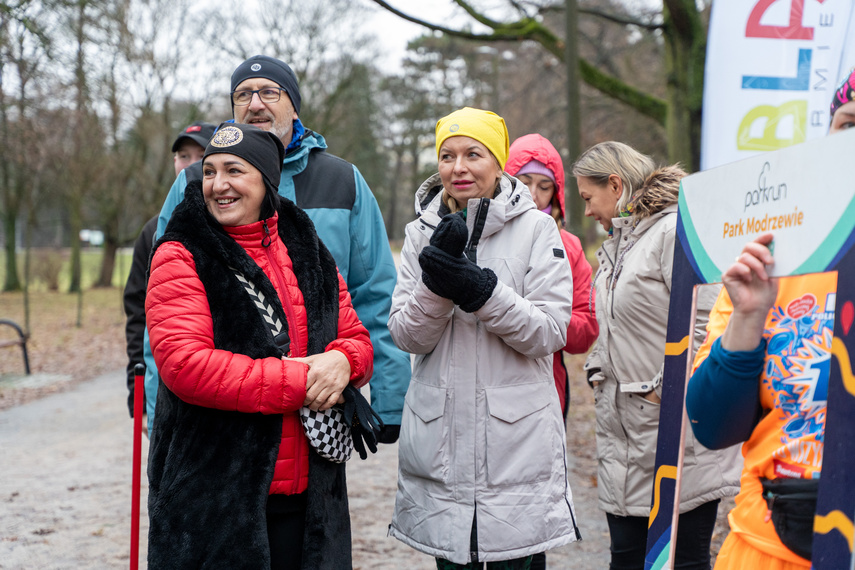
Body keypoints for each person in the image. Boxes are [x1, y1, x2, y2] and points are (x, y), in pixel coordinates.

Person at [141, 55, 410, 437]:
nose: (255, 103)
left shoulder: (342, 180)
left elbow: (376, 294)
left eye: (269, 91)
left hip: (320, 418)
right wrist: (158, 413)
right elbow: (165, 311)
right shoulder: (193, 183)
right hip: (220, 428)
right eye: (243, 94)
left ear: (294, 106)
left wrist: (390, 401)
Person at [145, 122, 373, 568]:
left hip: (311, 500)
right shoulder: (180, 252)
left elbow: (355, 336)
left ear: (266, 181)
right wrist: (305, 377)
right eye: (209, 172)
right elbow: (186, 365)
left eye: (234, 170)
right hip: (218, 500)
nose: (218, 184)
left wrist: (345, 363)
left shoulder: (306, 245)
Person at [387, 107, 581, 568]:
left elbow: (550, 331)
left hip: (515, 445)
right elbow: (406, 334)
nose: (459, 167)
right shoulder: (419, 234)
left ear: (498, 162)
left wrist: (481, 291)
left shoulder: (537, 228)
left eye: (473, 153)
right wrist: (437, 288)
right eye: (447, 155)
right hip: (441, 442)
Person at [685, 67, 855, 569]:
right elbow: (712, 426)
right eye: (848, 125)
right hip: (767, 548)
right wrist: (748, 319)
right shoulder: (776, 258)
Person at [574, 141, 741, 570]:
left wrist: (665, 392)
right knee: (627, 559)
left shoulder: (674, 231)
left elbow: (710, 321)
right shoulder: (617, 244)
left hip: (677, 433)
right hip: (625, 434)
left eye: (588, 198)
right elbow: (612, 321)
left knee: (682, 560)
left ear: (615, 184)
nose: (588, 211)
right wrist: (597, 367)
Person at [122, 121, 215, 420]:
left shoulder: (231, 224)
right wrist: (137, 389)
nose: (190, 165)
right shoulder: (152, 231)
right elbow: (139, 313)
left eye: (200, 156)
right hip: (168, 387)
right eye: (183, 157)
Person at [505, 133, 598, 418]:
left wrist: (547, 320)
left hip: (545, 388)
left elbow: (586, 329)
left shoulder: (569, 246)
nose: (533, 194)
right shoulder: (479, 232)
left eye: (544, 186)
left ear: (555, 193)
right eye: (524, 182)